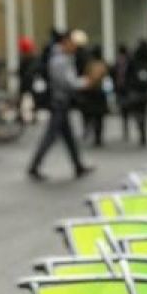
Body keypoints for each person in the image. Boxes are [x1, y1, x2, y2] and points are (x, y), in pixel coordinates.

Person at [28, 30, 94, 181]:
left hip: (62, 102)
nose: (75, 47)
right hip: (59, 102)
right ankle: (34, 166)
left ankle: (78, 166)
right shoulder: (60, 60)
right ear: (65, 42)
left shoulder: (64, 58)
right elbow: (67, 82)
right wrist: (84, 83)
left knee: (68, 137)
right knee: (50, 137)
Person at [121, 38, 147, 146]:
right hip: (144, 91)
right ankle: (142, 131)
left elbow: (127, 75)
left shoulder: (134, 60)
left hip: (135, 91)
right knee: (143, 112)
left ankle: (141, 129)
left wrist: (126, 89)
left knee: (137, 112)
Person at [80, 45, 109, 147]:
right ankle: (98, 136)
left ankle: (91, 131)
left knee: (91, 114)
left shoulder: (90, 64)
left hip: (91, 92)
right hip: (99, 92)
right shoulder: (103, 64)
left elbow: (85, 76)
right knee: (99, 117)